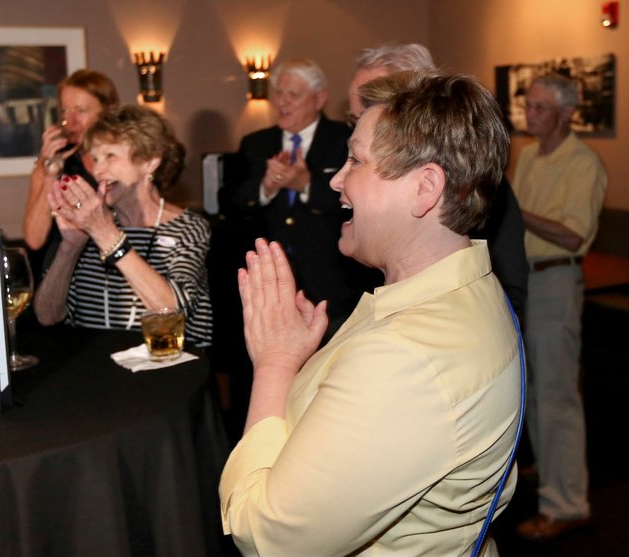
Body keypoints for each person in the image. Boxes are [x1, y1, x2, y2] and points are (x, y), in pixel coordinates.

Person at [219, 72, 522, 556]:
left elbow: (267, 537)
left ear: (425, 188)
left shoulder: (407, 355)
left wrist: (275, 364)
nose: (336, 180)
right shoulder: (470, 289)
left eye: (356, 160)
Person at [349, 43, 529, 322]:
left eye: (374, 107)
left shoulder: (477, 182)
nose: (364, 122)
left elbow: (508, 289)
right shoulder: (364, 180)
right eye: (356, 116)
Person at [219, 58, 379, 336]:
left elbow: (365, 205)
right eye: (278, 93)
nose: (283, 101)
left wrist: (308, 185)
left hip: (332, 285)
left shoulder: (347, 139)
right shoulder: (255, 143)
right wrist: (265, 188)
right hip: (268, 285)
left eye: (293, 94)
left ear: (319, 99)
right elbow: (229, 203)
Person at [513, 73, 607, 541]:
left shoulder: (583, 164)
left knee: (557, 397)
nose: (529, 115)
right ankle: (547, 466)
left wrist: (513, 207)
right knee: (533, 389)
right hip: (526, 282)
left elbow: (573, 234)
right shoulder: (529, 155)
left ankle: (566, 503)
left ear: (567, 114)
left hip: (555, 281)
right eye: (528, 105)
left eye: (540, 108)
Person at [33, 105, 212, 347]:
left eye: (110, 156)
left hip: (170, 372)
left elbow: (172, 311)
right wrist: (70, 247)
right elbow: (47, 316)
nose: (98, 170)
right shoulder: (89, 226)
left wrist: (107, 236)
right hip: (97, 372)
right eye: (95, 159)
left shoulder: (189, 228)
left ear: (150, 161)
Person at [23, 69, 119, 252]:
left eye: (80, 111)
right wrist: (50, 173)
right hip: (63, 268)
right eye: (65, 111)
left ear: (107, 112)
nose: (69, 121)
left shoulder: (123, 162)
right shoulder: (50, 164)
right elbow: (34, 240)